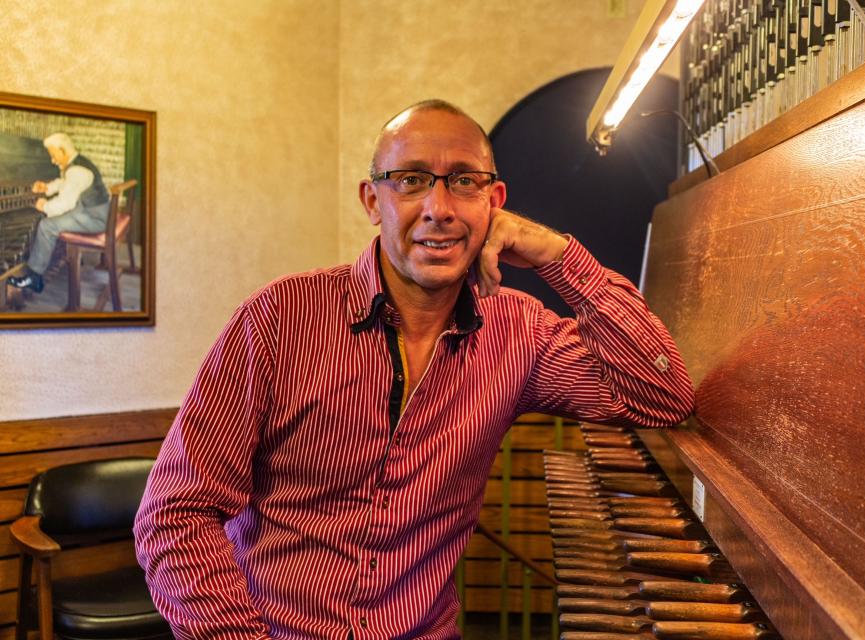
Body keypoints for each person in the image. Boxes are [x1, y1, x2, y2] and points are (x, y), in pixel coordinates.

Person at [134, 100, 695, 639]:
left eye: (465, 181)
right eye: (411, 180)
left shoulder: (521, 334)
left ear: (494, 201)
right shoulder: (279, 319)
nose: (440, 208)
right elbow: (175, 515)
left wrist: (557, 255)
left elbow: (662, 394)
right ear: (373, 201)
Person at [7, 132, 111, 293]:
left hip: (96, 219)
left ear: (63, 151)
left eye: (54, 155)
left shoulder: (77, 171)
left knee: (46, 226)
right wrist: (47, 188)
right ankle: (44, 263)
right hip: (93, 210)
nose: (52, 160)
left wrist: (45, 206)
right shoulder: (77, 163)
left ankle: (34, 278)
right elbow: (65, 183)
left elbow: (65, 203)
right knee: (52, 219)